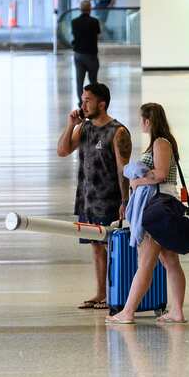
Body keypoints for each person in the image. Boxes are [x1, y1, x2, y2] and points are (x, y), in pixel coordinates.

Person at [106, 103, 187, 325]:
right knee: (170, 261)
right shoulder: (161, 143)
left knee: (146, 263)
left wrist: (136, 180)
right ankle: (177, 311)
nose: (140, 123)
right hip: (163, 207)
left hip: (156, 209)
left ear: (148, 121)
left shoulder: (161, 143)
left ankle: (128, 311)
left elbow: (160, 174)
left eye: (141, 119)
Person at [56, 82, 131, 310]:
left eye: (87, 100)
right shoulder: (85, 128)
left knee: (112, 247)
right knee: (95, 246)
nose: (83, 105)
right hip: (88, 198)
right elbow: (62, 150)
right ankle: (100, 293)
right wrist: (71, 125)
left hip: (110, 200)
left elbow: (123, 170)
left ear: (102, 103)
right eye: (82, 100)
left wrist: (125, 201)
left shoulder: (118, 132)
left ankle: (115, 293)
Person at [70, 0, 101, 92]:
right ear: (90, 9)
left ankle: (81, 102)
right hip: (91, 54)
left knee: (79, 81)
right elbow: (98, 35)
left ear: (80, 9)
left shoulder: (74, 22)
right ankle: (93, 101)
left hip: (78, 54)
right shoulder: (94, 21)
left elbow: (74, 35)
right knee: (93, 81)